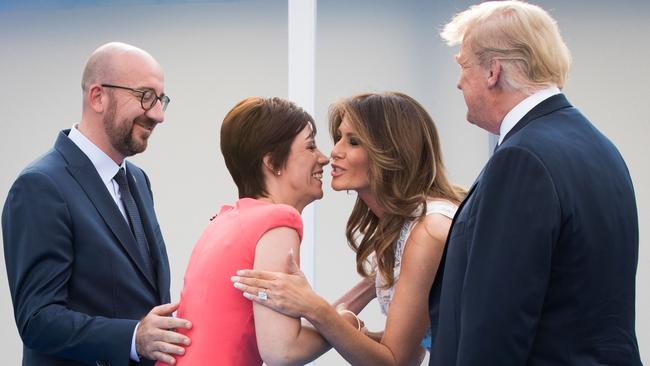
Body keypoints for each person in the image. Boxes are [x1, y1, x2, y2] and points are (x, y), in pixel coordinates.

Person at [426, 1, 642, 365]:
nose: (458, 81)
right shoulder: (601, 149)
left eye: (463, 66)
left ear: (493, 70)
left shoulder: (521, 159)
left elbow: (497, 325)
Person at [232, 92, 465, 365]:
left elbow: (396, 361)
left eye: (353, 142)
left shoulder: (427, 229)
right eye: (339, 138)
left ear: (390, 152)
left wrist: (314, 306)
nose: (334, 152)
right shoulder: (405, 227)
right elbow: (412, 350)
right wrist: (351, 329)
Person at [2, 42, 191, 366]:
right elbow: (38, 320)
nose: (157, 114)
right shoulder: (41, 186)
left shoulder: (138, 180)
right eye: (145, 96)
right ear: (98, 96)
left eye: (161, 100)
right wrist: (133, 338)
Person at [162, 96, 368, 365]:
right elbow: (282, 351)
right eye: (310, 147)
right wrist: (348, 323)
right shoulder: (278, 222)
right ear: (272, 162)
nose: (324, 158)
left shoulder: (226, 219)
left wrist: (370, 286)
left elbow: (298, 322)